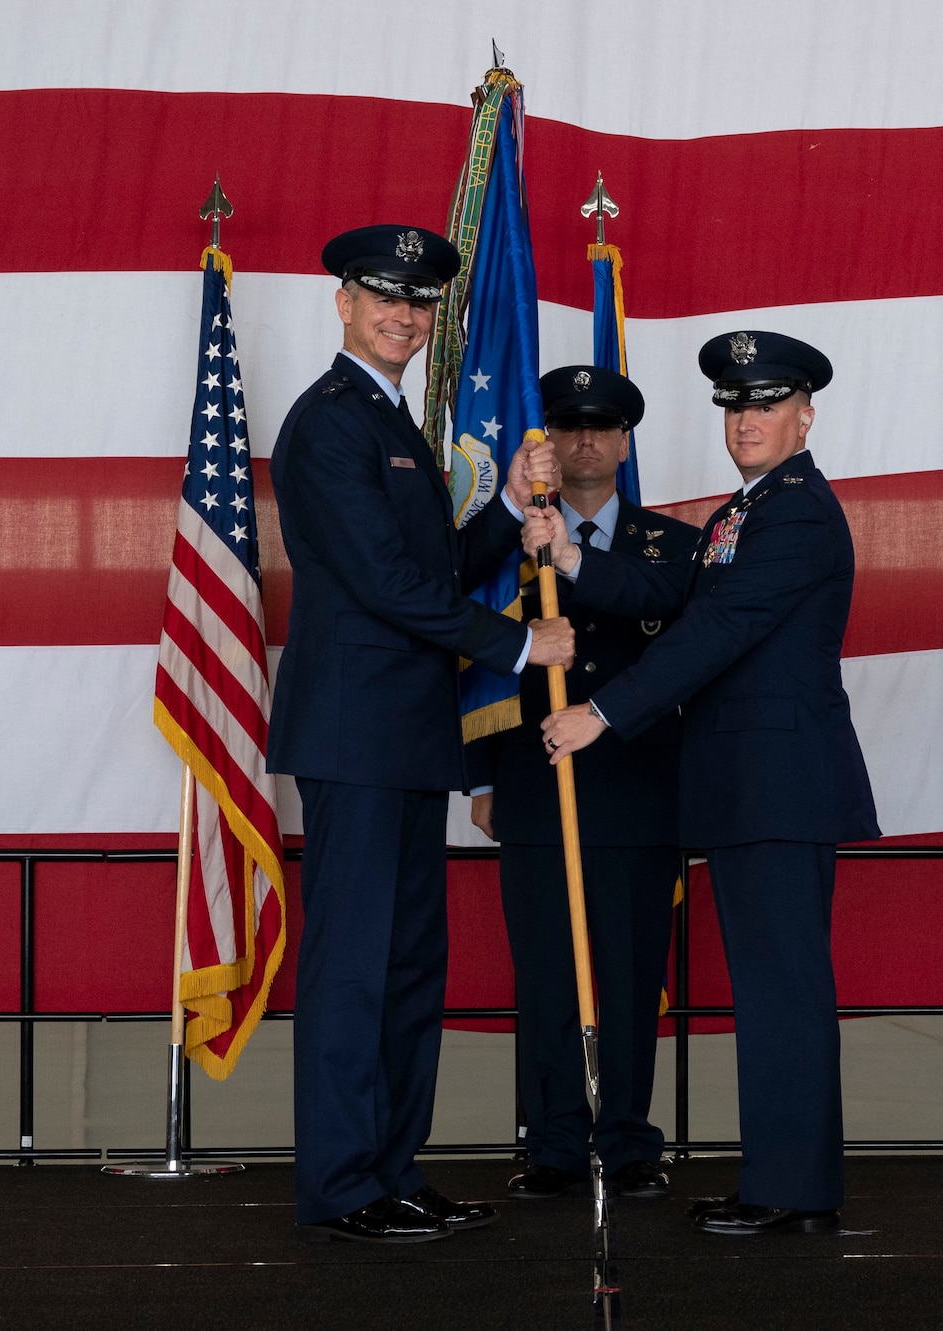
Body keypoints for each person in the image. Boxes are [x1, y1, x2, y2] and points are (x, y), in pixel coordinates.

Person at [528, 331, 877, 1236]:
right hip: (747, 783)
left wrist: (600, 714)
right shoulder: (745, 511)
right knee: (769, 991)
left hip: (778, 782)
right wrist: (570, 560)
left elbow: (713, 634)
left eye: (766, 404)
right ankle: (781, 1174)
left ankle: (794, 1188)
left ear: (806, 417)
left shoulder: (794, 511)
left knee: (783, 990)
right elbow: (676, 597)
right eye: (735, 405)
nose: (748, 420)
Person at [268, 224, 572, 1244]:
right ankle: (343, 1181)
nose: (403, 316)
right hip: (354, 733)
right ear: (343, 303)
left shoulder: (390, 417)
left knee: (406, 965)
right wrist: (520, 645)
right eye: (382, 297)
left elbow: (432, 563)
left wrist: (509, 526)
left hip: (400, 734)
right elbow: (384, 584)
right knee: (353, 965)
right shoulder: (329, 423)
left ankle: (390, 1165)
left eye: (419, 303)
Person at [464, 365, 699, 1203]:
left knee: (633, 976)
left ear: (626, 442)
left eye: (601, 428)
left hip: (638, 790)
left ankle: (630, 1141)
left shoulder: (671, 545)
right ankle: (557, 1143)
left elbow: (670, 618)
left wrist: (566, 558)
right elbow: (471, 662)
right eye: (566, 428)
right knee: (549, 978)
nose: (584, 442)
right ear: (547, 445)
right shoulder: (504, 546)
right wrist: (479, 778)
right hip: (531, 784)